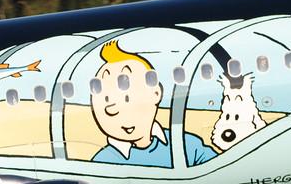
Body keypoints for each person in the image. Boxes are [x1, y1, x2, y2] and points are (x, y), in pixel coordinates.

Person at [88, 39, 215, 167]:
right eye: (107, 100)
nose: (113, 109)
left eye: (127, 98)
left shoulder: (187, 144)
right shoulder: (102, 162)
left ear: (156, 93)